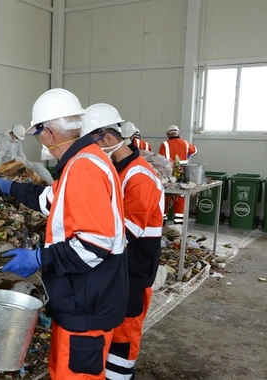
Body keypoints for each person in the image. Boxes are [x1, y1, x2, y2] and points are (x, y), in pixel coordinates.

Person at [0, 89, 128, 380]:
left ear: (48, 133)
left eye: (37, 133)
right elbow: (51, 200)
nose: (38, 140)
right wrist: (8, 188)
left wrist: (38, 257)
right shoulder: (83, 160)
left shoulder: (84, 168)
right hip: (81, 297)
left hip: (87, 300)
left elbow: (94, 245)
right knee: (62, 370)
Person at [82, 104, 165, 380]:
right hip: (119, 269)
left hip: (134, 272)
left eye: (92, 142)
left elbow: (126, 232)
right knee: (112, 330)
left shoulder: (140, 177)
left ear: (107, 138)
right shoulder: (118, 170)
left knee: (124, 337)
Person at [158, 125, 198, 224]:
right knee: (180, 197)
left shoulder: (165, 144)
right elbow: (195, 151)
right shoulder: (185, 143)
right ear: (178, 133)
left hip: (168, 175)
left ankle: (163, 221)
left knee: (166, 196)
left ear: (168, 134)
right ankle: (178, 224)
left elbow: (160, 161)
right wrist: (187, 155)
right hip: (182, 174)